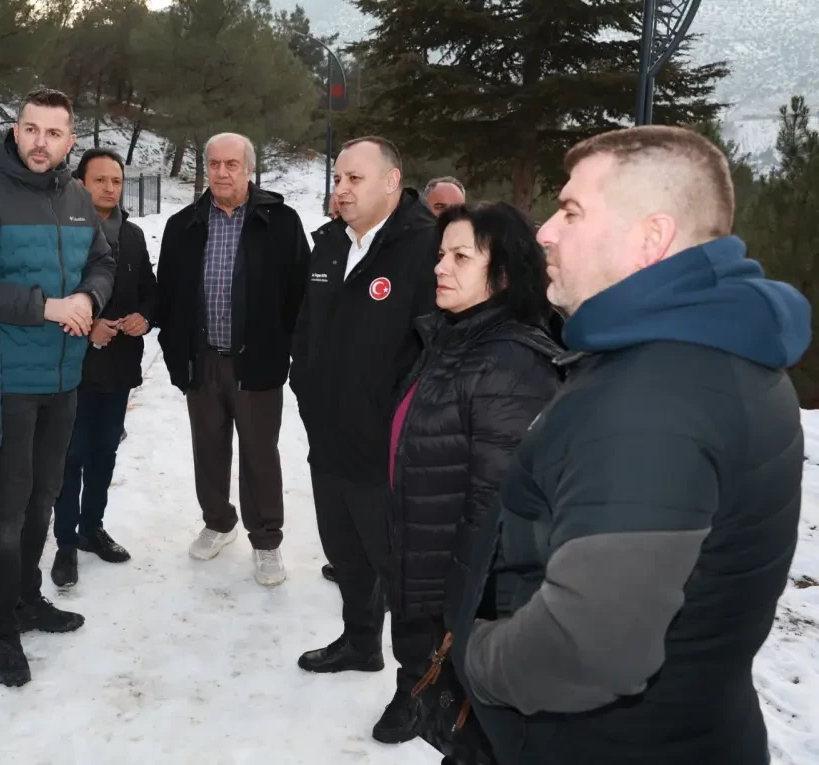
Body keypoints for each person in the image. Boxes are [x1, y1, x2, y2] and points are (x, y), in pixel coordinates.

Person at [454, 126, 812, 765]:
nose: (545, 231)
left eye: (571, 211)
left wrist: (477, 656)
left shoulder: (653, 400)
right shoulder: (716, 353)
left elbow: (588, 647)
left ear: (652, 239)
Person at [371, 202, 560, 756]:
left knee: (474, 733)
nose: (439, 267)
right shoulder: (452, 336)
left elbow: (496, 511)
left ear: (502, 273)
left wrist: (461, 616)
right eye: (439, 255)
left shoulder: (511, 363)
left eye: (460, 256)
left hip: (461, 597)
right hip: (426, 564)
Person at [0, 87, 115, 687]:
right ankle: (1, 628)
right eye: (30, 129)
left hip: (64, 379)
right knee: (9, 508)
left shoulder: (75, 195)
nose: (40, 142)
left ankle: (26, 599)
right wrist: (45, 307)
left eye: (53, 132)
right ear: (14, 131)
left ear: (71, 139)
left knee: (44, 497)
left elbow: (104, 262)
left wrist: (88, 299)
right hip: (9, 382)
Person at [290, 136, 438, 677]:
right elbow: (307, 327)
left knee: (400, 571)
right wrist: (303, 383)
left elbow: (434, 350)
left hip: (388, 450)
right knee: (346, 554)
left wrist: (394, 418)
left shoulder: (427, 248)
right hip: (328, 439)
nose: (342, 189)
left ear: (392, 181)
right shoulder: (330, 243)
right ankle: (359, 643)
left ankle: (416, 684)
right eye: (337, 179)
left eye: (355, 179)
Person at [156, 132, 310, 586]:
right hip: (202, 360)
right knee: (208, 446)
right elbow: (168, 294)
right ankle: (218, 521)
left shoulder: (279, 222)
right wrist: (174, 350)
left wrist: (286, 349)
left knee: (260, 452)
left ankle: (266, 541)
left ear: (248, 169)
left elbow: (300, 295)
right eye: (215, 164)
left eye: (232, 165)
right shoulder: (183, 224)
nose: (222, 173)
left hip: (256, 361)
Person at [51, 148, 158, 588]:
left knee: (104, 454)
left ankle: (92, 528)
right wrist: (86, 325)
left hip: (117, 370)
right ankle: (64, 542)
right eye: (101, 180)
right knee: (69, 457)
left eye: (116, 180)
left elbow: (151, 290)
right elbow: (47, 298)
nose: (110, 188)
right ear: (80, 182)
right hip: (70, 366)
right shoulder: (60, 233)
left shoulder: (131, 236)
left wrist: (145, 318)